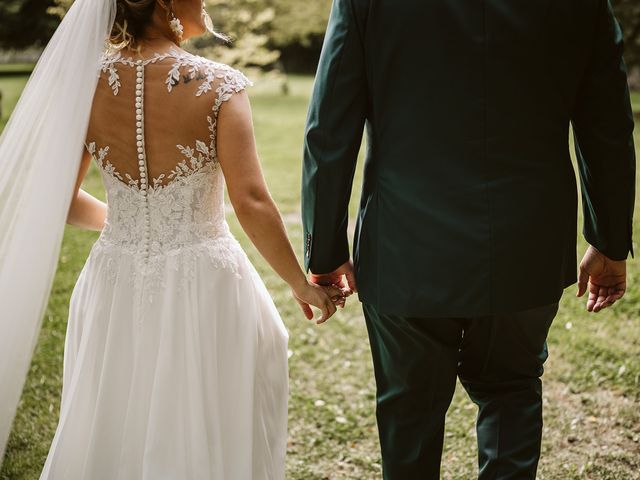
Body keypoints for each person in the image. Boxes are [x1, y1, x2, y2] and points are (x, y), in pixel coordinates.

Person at [0, 0, 348, 477]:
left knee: (119, 410)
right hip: (203, 281)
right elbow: (251, 201)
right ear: (164, 2)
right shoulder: (218, 85)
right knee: (208, 414)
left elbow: (60, 197)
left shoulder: (85, 82)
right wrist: (300, 284)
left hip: (114, 277)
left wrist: (134, 225)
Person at [302, 0, 636, 478]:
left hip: (405, 244)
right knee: (511, 389)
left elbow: (328, 128)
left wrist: (327, 250)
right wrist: (609, 239)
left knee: (409, 409)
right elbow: (607, 124)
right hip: (527, 244)